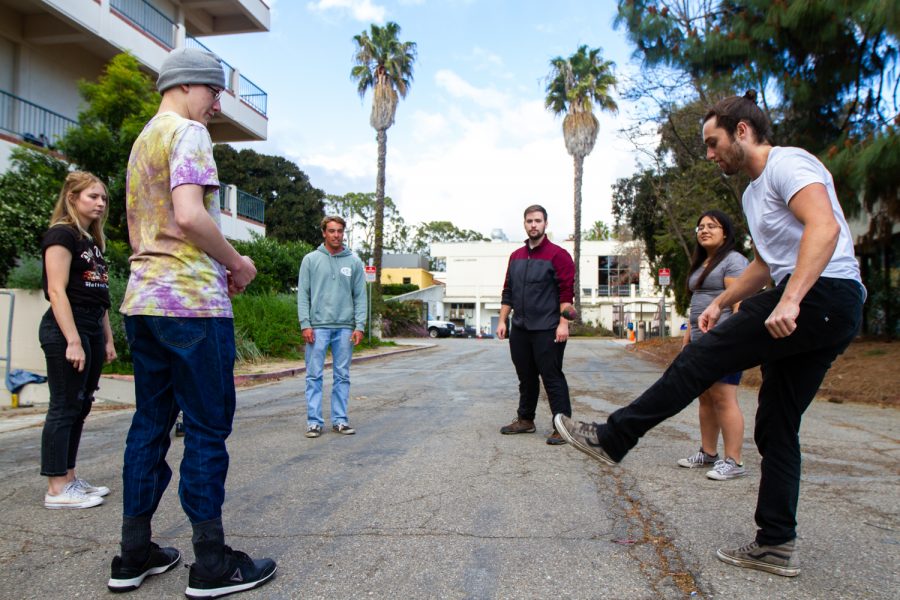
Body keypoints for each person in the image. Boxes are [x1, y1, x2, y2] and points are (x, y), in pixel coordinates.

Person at [555, 90, 864, 578]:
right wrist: (720, 303)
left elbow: (823, 229)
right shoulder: (751, 193)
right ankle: (777, 544)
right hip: (821, 304)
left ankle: (614, 438)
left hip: (825, 294)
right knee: (777, 425)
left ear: (742, 131)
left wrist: (791, 298)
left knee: (703, 359)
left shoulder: (788, 164)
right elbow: (767, 262)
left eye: (712, 142)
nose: (709, 154)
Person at [107, 48, 276, 597]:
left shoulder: (142, 141)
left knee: (150, 426)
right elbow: (188, 214)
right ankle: (211, 563)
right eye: (213, 91)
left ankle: (133, 554)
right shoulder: (189, 133)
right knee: (206, 428)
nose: (217, 104)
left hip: (142, 302)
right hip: (192, 306)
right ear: (185, 86)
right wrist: (237, 262)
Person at [39, 171, 116, 510]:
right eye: (92, 197)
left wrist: (107, 339)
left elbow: (100, 296)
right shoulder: (62, 234)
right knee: (64, 405)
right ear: (72, 198)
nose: (100, 203)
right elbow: (56, 290)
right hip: (66, 328)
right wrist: (72, 339)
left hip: (91, 326)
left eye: (103, 198)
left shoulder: (93, 242)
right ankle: (56, 487)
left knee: (81, 405)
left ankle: (69, 477)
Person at [676, 210, 749, 480]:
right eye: (701, 226)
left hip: (723, 341)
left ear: (726, 232)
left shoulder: (733, 261)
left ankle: (734, 461)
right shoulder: (703, 262)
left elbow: (739, 304)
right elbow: (696, 306)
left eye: (712, 226)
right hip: (700, 341)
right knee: (705, 397)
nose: (704, 230)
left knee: (724, 398)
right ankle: (708, 453)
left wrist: (732, 338)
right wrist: (687, 339)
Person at [496, 205, 576, 445]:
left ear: (545, 224)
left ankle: (563, 428)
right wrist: (502, 320)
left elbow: (566, 295)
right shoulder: (516, 257)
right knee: (526, 377)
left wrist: (564, 324)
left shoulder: (558, 255)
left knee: (552, 378)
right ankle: (525, 420)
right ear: (524, 224)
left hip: (548, 328)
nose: (533, 225)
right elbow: (508, 291)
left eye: (538, 221)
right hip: (520, 329)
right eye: (529, 221)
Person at [298, 215, 367, 438]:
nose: (336, 235)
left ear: (343, 233)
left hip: (346, 327)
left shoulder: (354, 262)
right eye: (331, 231)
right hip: (317, 327)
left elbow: (360, 296)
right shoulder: (310, 260)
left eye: (339, 231)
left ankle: (340, 420)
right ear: (323, 233)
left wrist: (360, 325)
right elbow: (303, 296)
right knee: (314, 375)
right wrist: (305, 324)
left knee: (342, 376)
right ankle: (314, 422)